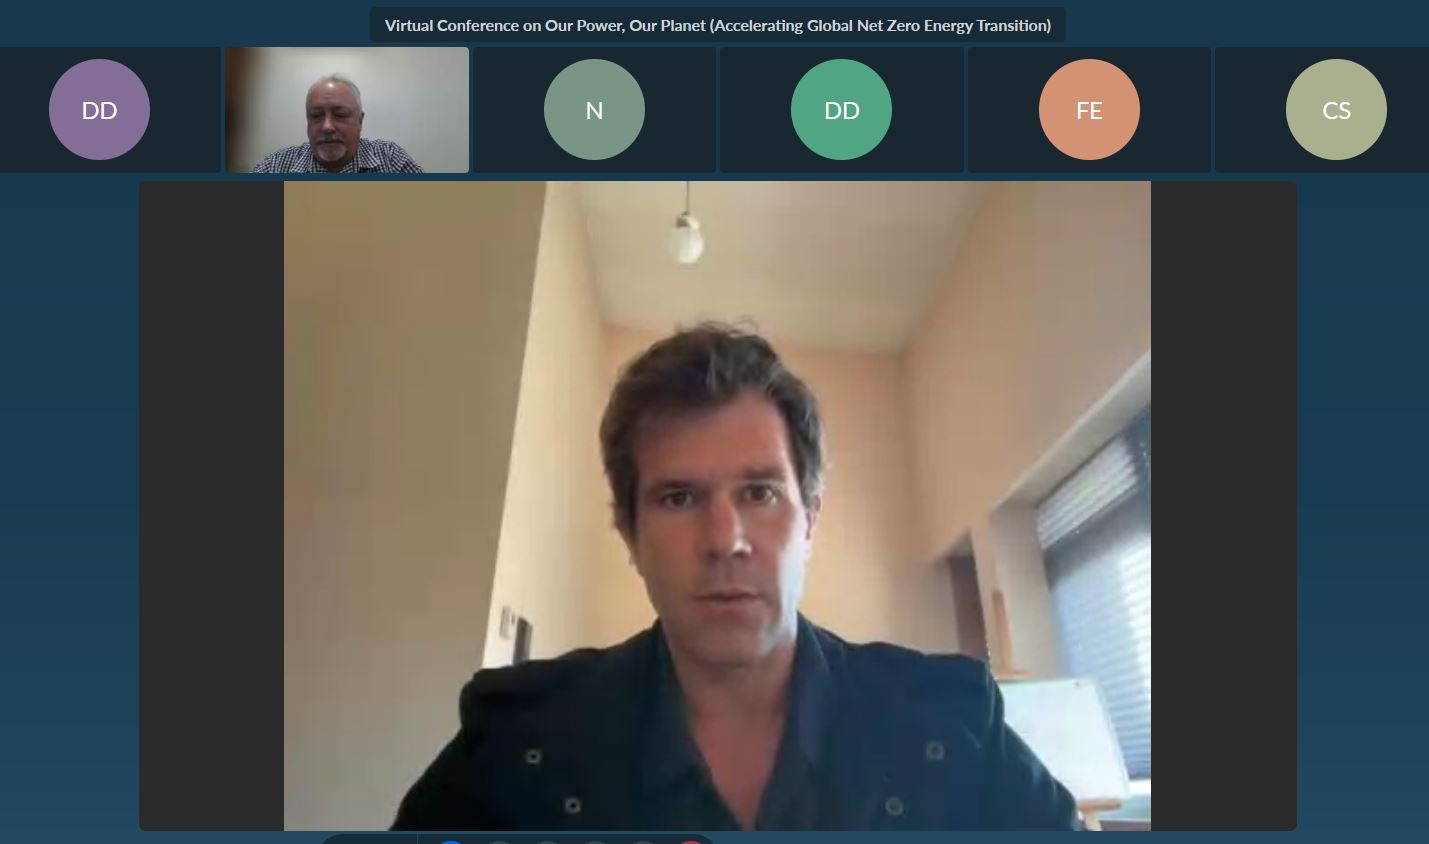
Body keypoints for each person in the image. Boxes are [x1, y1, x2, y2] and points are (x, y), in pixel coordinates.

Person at [393, 323, 1078, 831]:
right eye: (678, 498)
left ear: (809, 520)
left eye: (759, 493)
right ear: (629, 533)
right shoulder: (520, 744)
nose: (725, 541)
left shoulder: (951, 725)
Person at [251, 74, 422, 174]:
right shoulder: (276, 166)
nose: (327, 127)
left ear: (360, 121)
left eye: (340, 115)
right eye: (316, 116)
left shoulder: (391, 159)